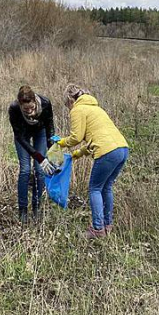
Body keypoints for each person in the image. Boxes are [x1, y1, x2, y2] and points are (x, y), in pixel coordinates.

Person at [56, 84, 129, 239]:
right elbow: (93, 140)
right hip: (122, 149)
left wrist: (61, 143)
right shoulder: (96, 109)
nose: (69, 109)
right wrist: (77, 154)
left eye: (67, 105)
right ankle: (107, 225)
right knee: (106, 187)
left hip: (107, 152)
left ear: (70, 100)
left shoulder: (78, 109)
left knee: (95, 189)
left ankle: (97, 229)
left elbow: (76, 137)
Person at [8, 85, 56, 223]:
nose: (29, 111)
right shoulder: (14, 108)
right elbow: (20, 137)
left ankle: (37, 207)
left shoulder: (45, 103)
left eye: (32, 108)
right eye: (26, 109)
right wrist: (40, 157)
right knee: (25, 170)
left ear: (35, 101)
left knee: (40, 170)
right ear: (20, 104)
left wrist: (51, 149)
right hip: (22, 136)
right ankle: (23, 210)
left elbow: (49, 126)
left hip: (39, 132)